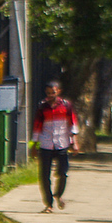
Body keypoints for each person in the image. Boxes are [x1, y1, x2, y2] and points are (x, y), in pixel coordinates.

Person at [32, 81, 79, 213]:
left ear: (58, 91)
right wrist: (34, 145)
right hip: (46, 144)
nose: (50, 95)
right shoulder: (42, 107)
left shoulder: (66, 106)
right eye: (48, 93)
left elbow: (73, 123)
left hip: (62, 143)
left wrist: (74, 142)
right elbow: (37, 126)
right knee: (44, 175)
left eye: (53, 92)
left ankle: (58, 194)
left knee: (63, 172)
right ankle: (49, 204)